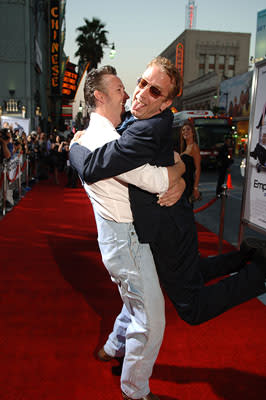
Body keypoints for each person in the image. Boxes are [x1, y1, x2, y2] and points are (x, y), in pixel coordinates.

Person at [70, 56, 266, 330]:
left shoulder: (147, 130)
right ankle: (246, 256)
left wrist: (73, 146)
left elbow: (91, 167)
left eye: (154, 91)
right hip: (171, 222)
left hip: (169, 232)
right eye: (142, 82)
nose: (140, 93)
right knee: (195, 270)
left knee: (193, 308)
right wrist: (180, 173)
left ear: (165, 104)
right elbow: (171, 157)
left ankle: (260, 275)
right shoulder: (139, 117)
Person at [70, 64, 185, 400]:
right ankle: (135, 391)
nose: (128, 94)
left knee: (133, 302)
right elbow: (157, 181)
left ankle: (111, 347)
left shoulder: (92, 136)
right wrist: (183, 166)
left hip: (117, 239)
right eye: (121, 88)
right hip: (126, 241)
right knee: (151, 321)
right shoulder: (105, 139)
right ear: (100, 95)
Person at [179, 121, 201, 203]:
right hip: (182, 185)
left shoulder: (194, 147)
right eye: (183, 130)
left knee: (187, 211)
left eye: (188, 129)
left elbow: (198, 169)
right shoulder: (184, 147)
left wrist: (195, 188)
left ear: (193, 133)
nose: (185, 132)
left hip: (188, 185)